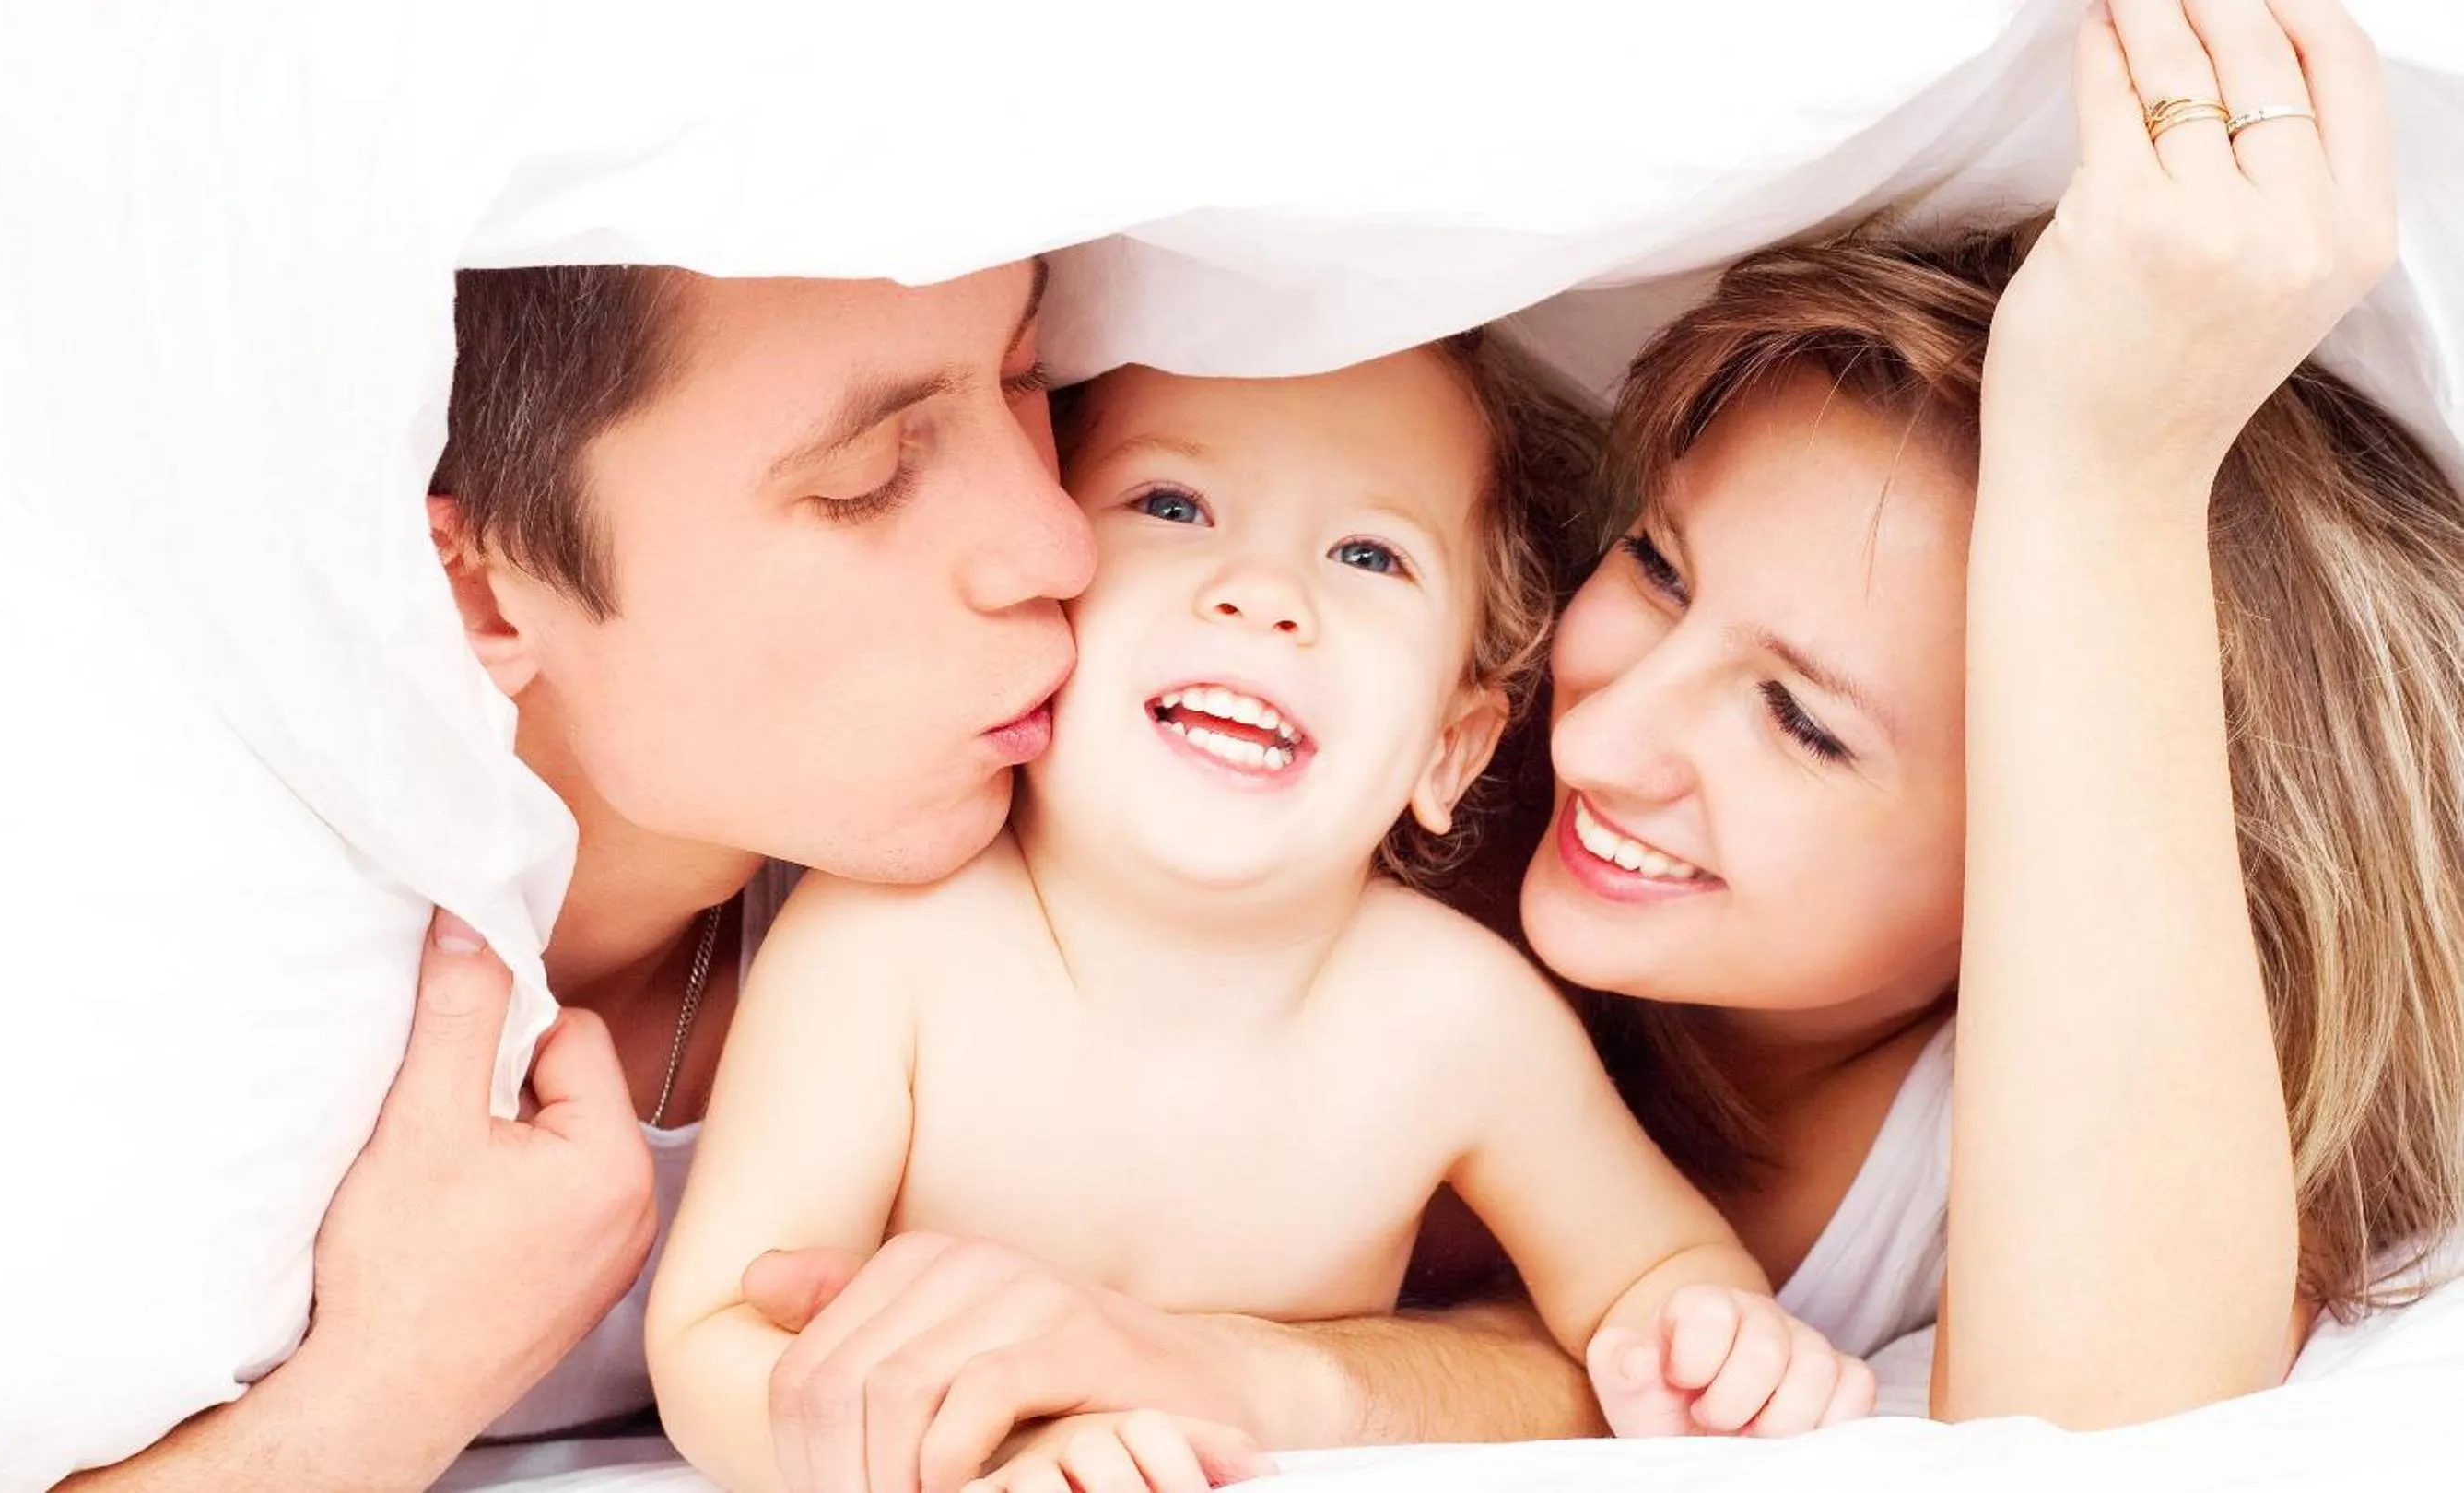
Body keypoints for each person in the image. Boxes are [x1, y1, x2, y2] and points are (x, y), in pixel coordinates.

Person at [1, 262, 1593, 1493]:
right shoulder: (192, 976)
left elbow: (1558, 1330)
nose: (1054, 545)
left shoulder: (1075, 855)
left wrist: (1218, 1377)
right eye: (869, 476)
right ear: (483, 586)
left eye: (1027, 384)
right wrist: (389, 1387)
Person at [646, 335, 1876, 1493]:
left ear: (1448, 747)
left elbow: (1653, 1269)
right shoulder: (884, 945)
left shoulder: (1456, 1019)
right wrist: (947, 1453)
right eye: (1171, 507)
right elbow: (713, 1339)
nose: (1261, 594)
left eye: (1367, 556)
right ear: (1038, 611)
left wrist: (1713, 1342)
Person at [1516, 0, 2464, 1431]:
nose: (1589, 743)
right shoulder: (1412, 730)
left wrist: (2105, 473)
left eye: (1801, 723)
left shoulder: (2122, 1117)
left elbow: (2102, 1448)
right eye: (1654, 567)